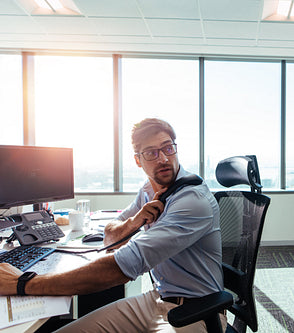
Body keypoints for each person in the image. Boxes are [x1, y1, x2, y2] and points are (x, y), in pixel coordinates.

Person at [0, 118, 226, 332]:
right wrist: (136, 220)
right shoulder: (149, 190)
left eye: (168, 148)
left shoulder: (192, 200)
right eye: (151, 153)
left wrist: (22, 284)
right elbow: (110, 239)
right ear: (138, 160)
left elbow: (122, 267)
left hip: (195, 311)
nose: (164, 159)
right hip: (157, 299)